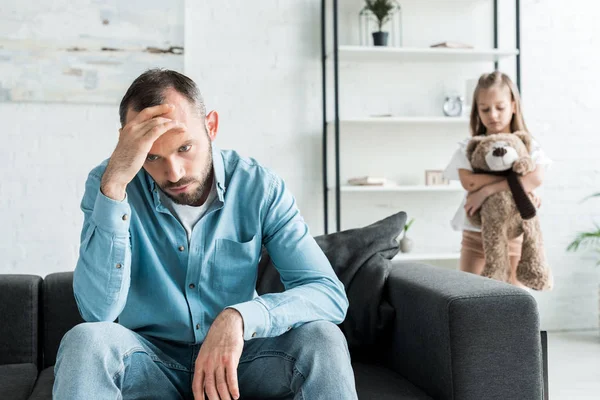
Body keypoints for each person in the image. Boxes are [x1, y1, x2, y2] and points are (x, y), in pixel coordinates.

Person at [53, 69, 358, 400]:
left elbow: (327, 294)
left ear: (211, 126)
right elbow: (98, 314)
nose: (174, 172)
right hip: (148, 360)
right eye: (152, 156)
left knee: (322, 338)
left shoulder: (259, 187)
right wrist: (114, 187)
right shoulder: (109, 183)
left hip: (239, 362)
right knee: (85, 339)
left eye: (185, 147)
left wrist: (239, 317)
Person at [443, 71, 552, 288]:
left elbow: (536, 177)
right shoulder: (472, 146)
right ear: (477, 111)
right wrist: (518, 185)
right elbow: (469, 182)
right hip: (476, 237)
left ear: (513, 106)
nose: (493, 115)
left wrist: (485, 191)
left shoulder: (526, 145)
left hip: (513, 236)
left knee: (513, 303)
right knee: (469, 296)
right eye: (485, 109)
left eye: (500, 108)